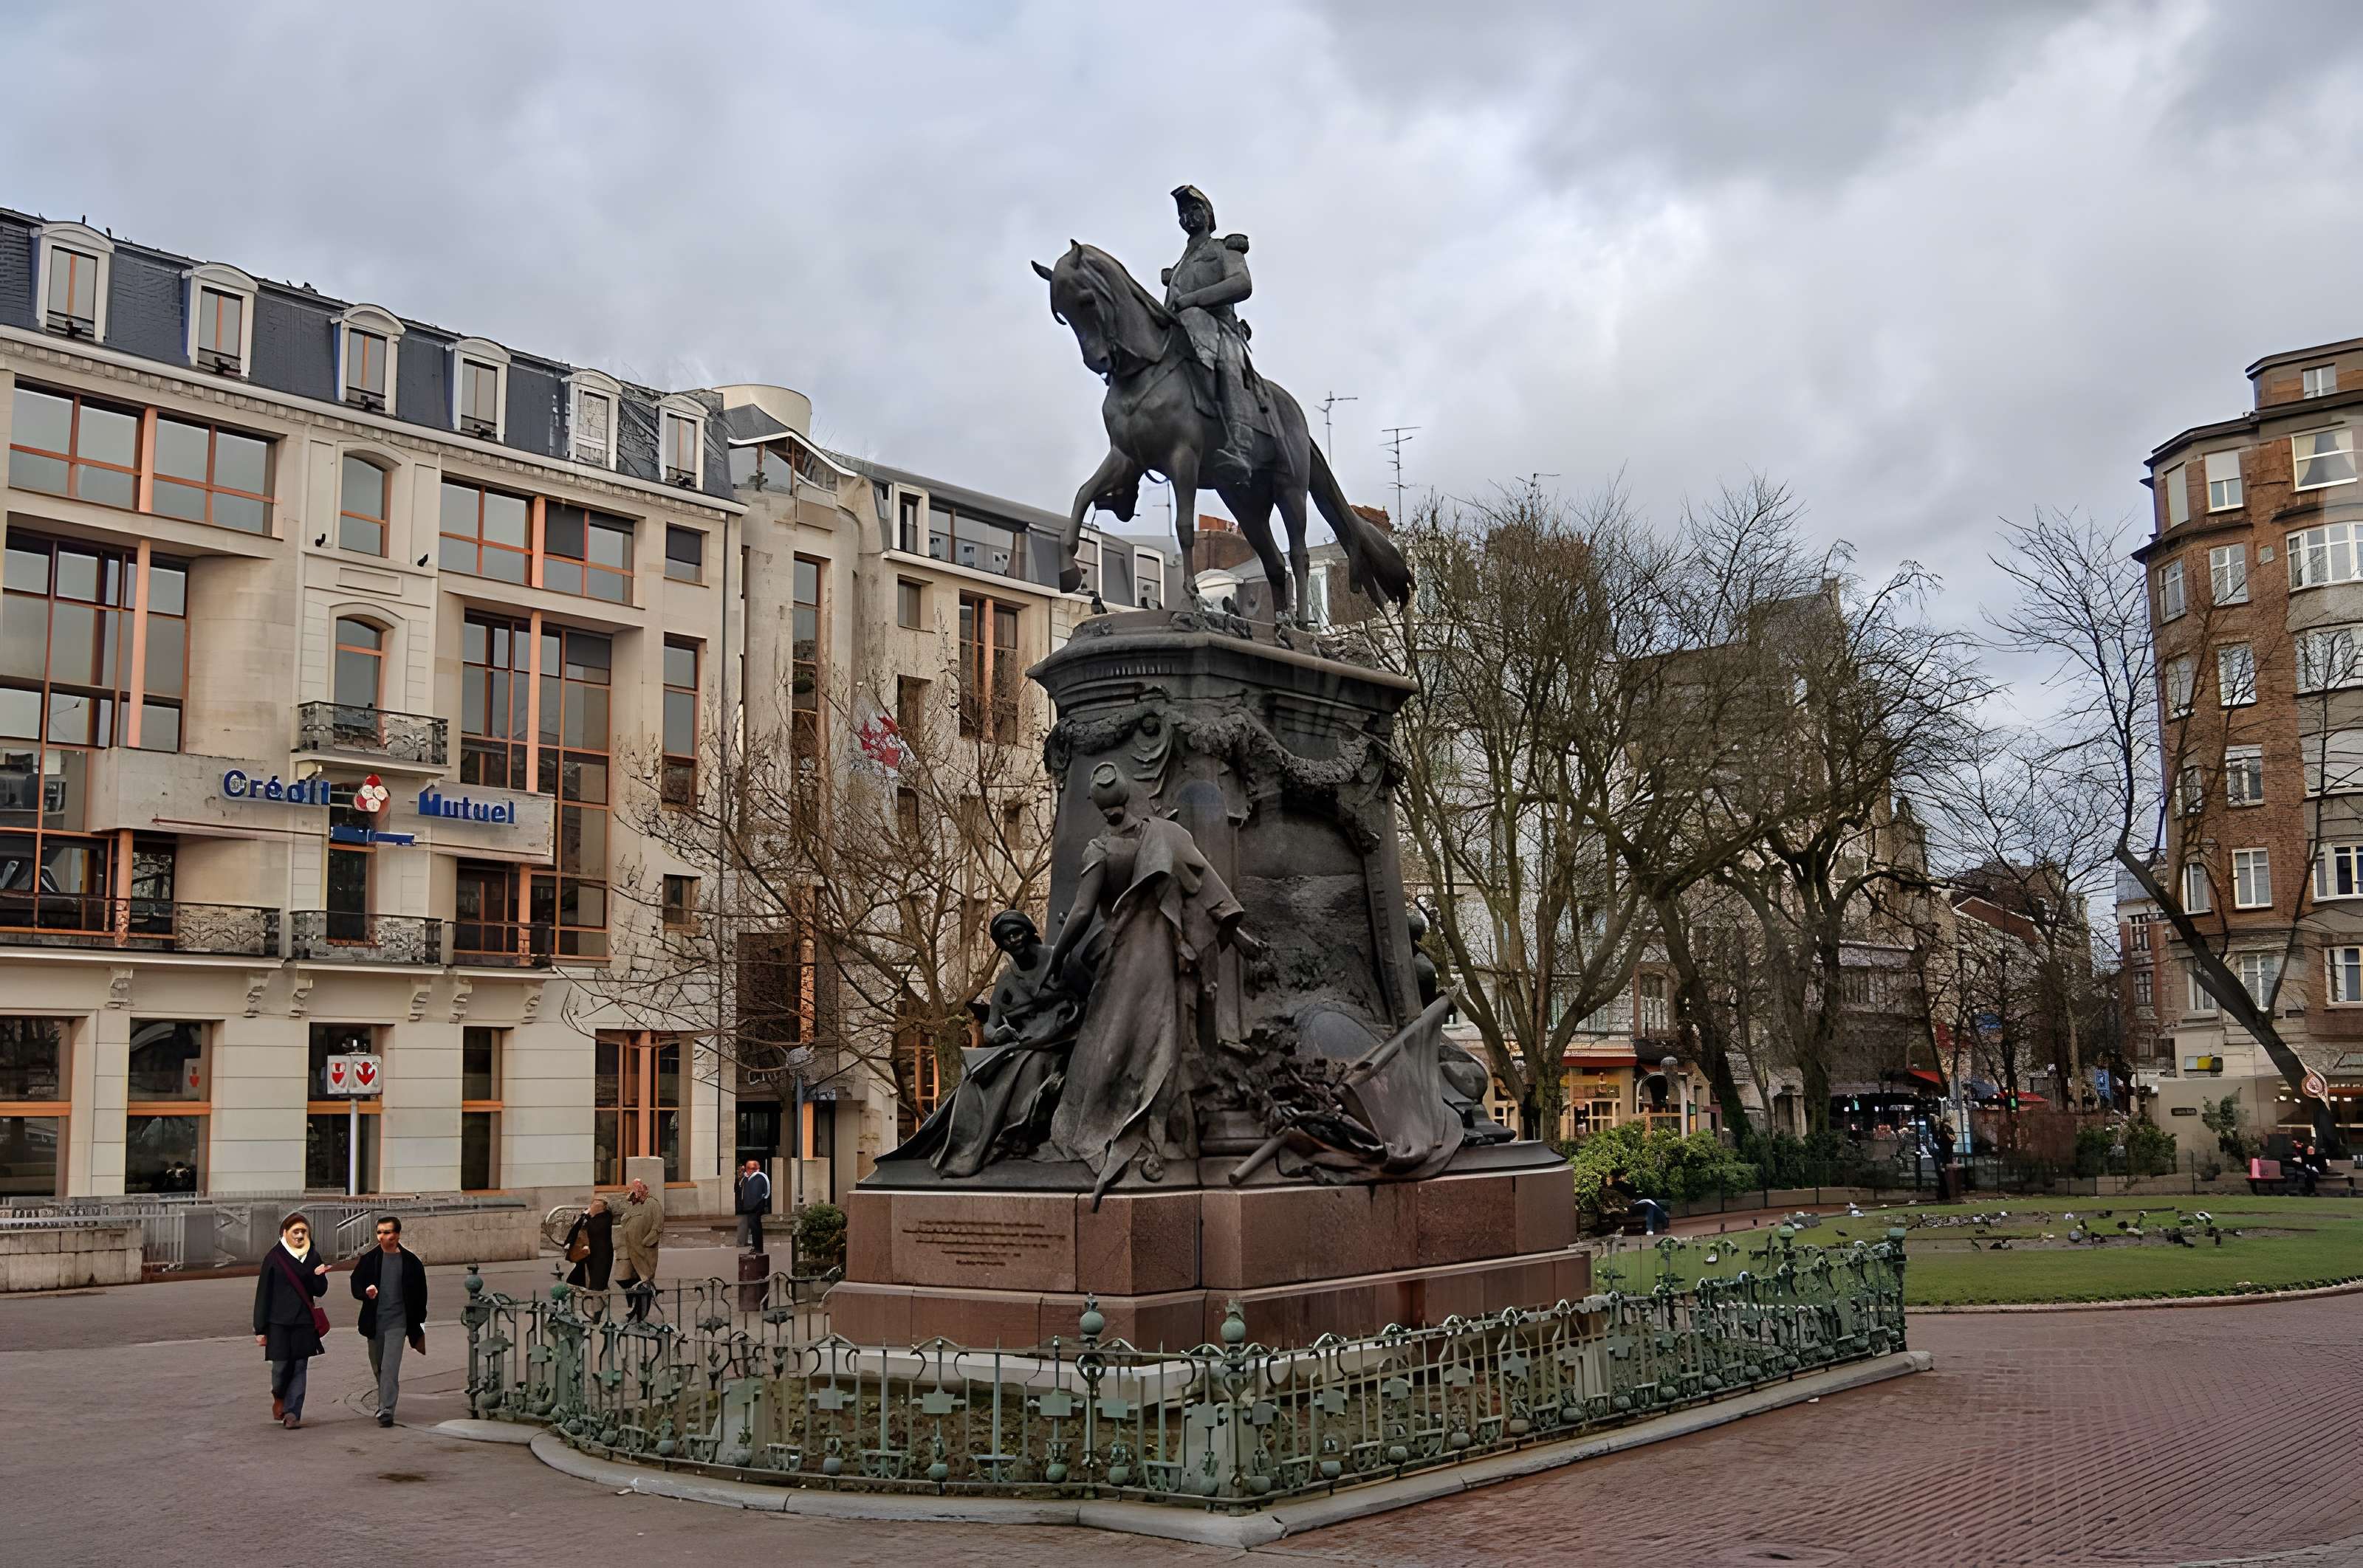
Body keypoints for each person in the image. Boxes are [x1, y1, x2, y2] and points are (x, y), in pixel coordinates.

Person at [1041, 763, 1263, 1203]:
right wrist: (1238, 937)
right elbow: (1207, 891)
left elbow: (1083, 914)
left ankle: (1114, 1125)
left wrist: (1058, 957)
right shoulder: (1165, 835)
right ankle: (1156, 1136)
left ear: (1100, 807)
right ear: (1129, 795)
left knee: (1115, 1046)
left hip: (1125, 963)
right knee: (1162, 1044)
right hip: (1165, 957)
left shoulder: (1100, 850)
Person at [877, 909, 1090, 1178]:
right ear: (1001, 945)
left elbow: (1091, 995)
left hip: (1065, 1039)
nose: (1014, 940)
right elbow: (990, 1025)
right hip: (1026, 1042)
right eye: (1006, 938)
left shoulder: (1059, 959)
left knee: (1030, 1065)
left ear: (1030, 932)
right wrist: (995, 1033)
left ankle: (1013, 1134)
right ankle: (965, 1144)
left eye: (1017, 932)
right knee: (974, 1081)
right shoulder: (1006, 980)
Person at [1160, 185, 1258, 486]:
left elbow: (1242, 284)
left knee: (1227, 360)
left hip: (1220, 332)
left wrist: (1193, 300)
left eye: (1194, 210)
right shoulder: (1179, 265)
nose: (1189, 217)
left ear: (1208, 215)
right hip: (1181, 336)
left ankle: (1240, 446)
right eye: (1183, 213)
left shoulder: (1224, 248)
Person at [252, 1212, 330, 1429]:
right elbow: (263, 1293)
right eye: (295, 1231)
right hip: (278, 1323)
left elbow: (320, 1290)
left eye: (303, 1231)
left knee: (299, 1367)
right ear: (284, 1233)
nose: (299, 1235)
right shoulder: (274, 1257)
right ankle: (279, 1395)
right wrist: (260, 1328)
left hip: (304, 1321)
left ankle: (293, 1412)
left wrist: (318, 1275)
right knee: (280, 1369)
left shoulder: (312, 1256)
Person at [350, 1214, 427, 1427]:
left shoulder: (411, 1263)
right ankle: (384, 1400)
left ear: (398, 1234)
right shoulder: (370, 1260)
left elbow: (421, 1295)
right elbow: (355, 1283)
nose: (383, 1237)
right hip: (374, 1323)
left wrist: (419, 1325)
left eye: (388, 1232)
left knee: (390, 1367)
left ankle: (386, 1410)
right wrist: (366, 1292)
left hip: (399, 1322)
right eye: (380, 1233)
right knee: (379, 1367)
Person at [616, 1178, 663, 1321]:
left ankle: (640, 1314)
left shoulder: (652, 1203)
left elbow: (658, 1224)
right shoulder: (632, 1205)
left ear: (644, 1189)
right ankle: (634, 1304)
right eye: (633, 1190)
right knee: (623, 1278)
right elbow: (622, 1217)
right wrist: (627, 1200)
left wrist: (648, 1241)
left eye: (637, 1190)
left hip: (644, 1250)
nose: (634, 1192)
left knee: (644, 1283)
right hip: (629, 1250)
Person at [563, 1197, 614, 1291]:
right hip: (587, 1256)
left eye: (594, 1207)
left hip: (600, 1258)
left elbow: (594, 1229)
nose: (591, 1208)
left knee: (596, 1287)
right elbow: (576, 1229)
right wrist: (569, 1243)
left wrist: (586, 1217)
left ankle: (597, 1303)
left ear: (600, 1209)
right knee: (574, 1281)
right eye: (592, 1206)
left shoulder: (605, 1218)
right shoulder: (588, 1218)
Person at [734, 1159, 771, 1254]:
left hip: (755, 1208)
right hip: (751, 1208)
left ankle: (758, 1248)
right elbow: (740, 1189)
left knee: (756, 1228)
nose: (745, 1171)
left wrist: (749, 1207)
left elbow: (755, 1195)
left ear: (752, 1169)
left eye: (747, 1169)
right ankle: (756, 1246)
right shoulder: (748, 1178)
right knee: (754, 1228)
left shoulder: (758, 1178)